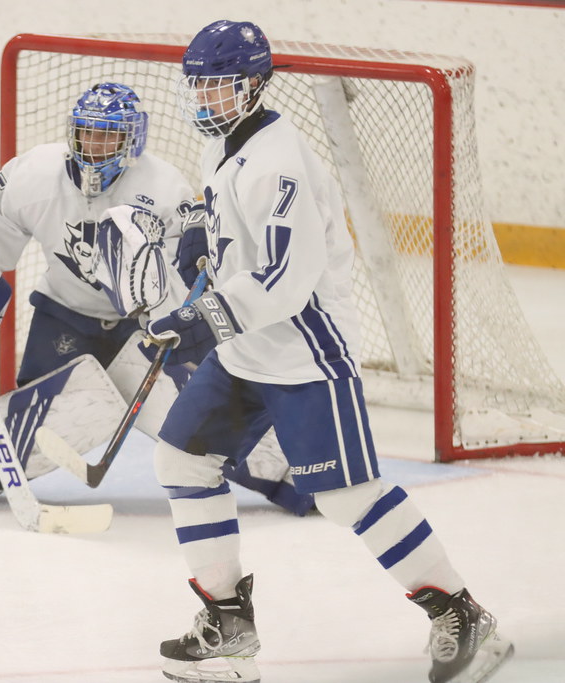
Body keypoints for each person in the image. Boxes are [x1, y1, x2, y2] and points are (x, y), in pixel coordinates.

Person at [145, 20, 514, 683]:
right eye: (197, 87)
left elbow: (285, 282)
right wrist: (200, 232)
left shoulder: (281, 163)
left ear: (255, 86)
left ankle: (461, 611)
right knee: (181, 456)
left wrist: (203, 320)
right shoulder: (224, 145)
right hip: (244, 348)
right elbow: (228, 216)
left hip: (303, 352)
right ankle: (228, 626)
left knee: (348, 496)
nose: (205, 101)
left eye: (220, 89)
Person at [0, 82, 312, 516]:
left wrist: (182, 316)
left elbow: (190, 265)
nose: (94, 145)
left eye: (108, 134)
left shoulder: (163, 186)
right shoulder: (36, 174)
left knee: (203, 418)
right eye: (86, 132)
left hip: (142, 326)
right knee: (40, 420)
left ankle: (302, 478)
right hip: (64, 315)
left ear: (133, 138)